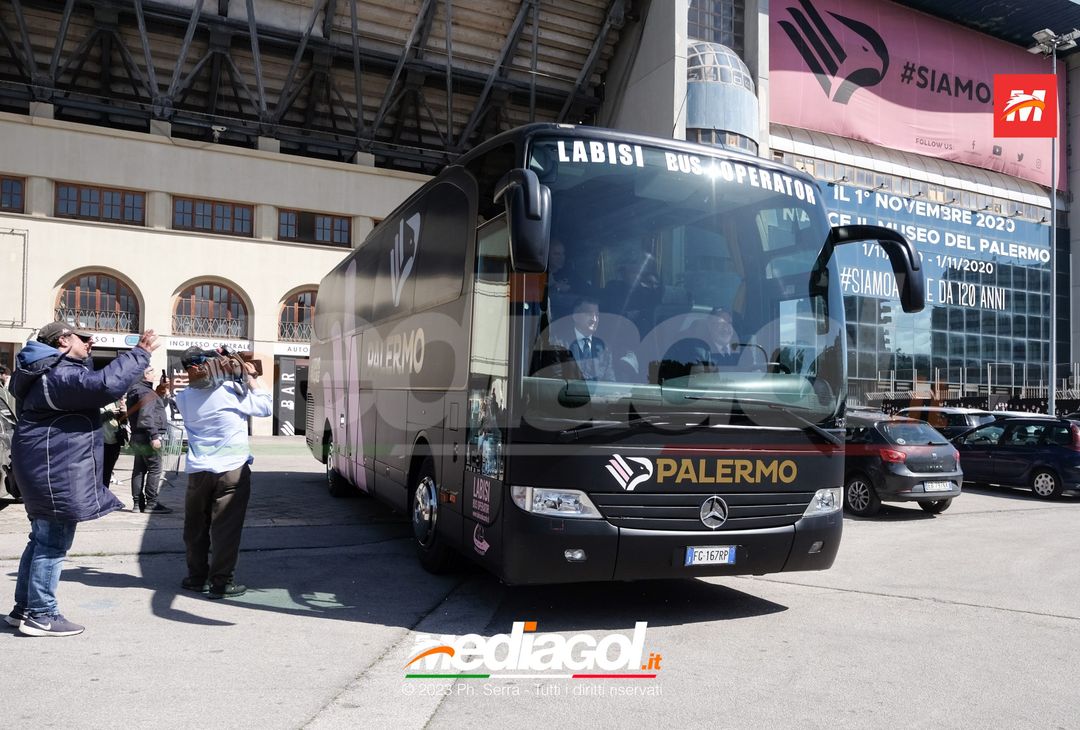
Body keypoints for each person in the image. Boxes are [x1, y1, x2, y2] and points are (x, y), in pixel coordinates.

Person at [6, 322, 158, 637]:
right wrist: (140, 353)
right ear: (63, 340)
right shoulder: (57, 374)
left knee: (40, 541)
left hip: (45, 470)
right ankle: (41, 614)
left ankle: (23, 609)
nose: (91, 343)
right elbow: (104, 385)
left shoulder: (45, 371)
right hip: (52, 472)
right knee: (52, 544)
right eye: (85, 338)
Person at [175, 347, 272, 599]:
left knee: (195, 527)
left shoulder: (183, 397)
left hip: (198, 471)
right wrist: (251, 377)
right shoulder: (230, 393)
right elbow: (264, 407)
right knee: (225, 528)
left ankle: (197, 577)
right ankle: (221, 582)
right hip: (232, 469)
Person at [127, 366, 171, 513]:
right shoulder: (145, 391)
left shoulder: (136, 390)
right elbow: (146, 416)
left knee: (139, 470)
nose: (154, 373)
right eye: (152, 371)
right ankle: (151, 504)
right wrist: (154, 436)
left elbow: (157, 408)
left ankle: (137, 504)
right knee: (155, 469)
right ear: (145, 375)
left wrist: (162, 391)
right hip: (148, 436)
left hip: (137, 435)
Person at [554, 297, 616, 382]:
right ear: (576, 317)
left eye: (597, 315)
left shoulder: (604, 347)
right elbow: (556, 382)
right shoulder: (560, 344)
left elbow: (610, 382)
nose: (594, 320)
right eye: (589, 314)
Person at [100, 398, 127, 491]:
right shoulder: (97, 401)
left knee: (107, 472)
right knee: (99, 472)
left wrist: (124, 413)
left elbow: (123, 422)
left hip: (115, 441)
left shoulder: (116, 402)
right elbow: (95, 420)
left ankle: (104, 494)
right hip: (101, 442)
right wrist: (109, 413)